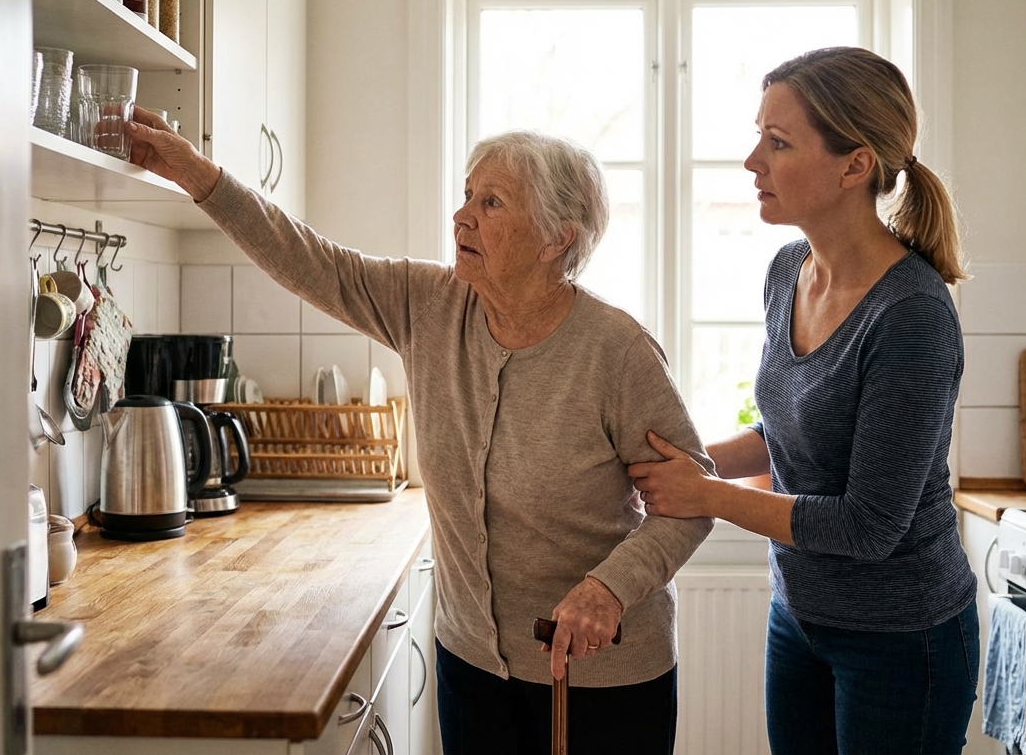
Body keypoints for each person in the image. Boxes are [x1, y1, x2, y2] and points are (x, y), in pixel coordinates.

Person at [124, 117, 716, 754]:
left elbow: (691, 501)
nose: (462, 216)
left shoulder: (617, 352)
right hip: (473, 665)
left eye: (491, 203)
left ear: (556, 238)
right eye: (467, 195)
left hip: (602, 677)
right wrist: (196, 174)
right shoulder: (429, 304)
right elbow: (308, 260)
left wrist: (610, 589)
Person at [627, 47, 978, 755]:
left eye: (778, 142)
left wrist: (705, 495)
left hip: (901, 638)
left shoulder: (910, 314)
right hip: (799, 616)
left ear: (854, 166)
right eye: (759, 136)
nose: (752, 161)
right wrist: (675, 461)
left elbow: (869, 527)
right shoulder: (789, 271)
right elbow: (783, 432)